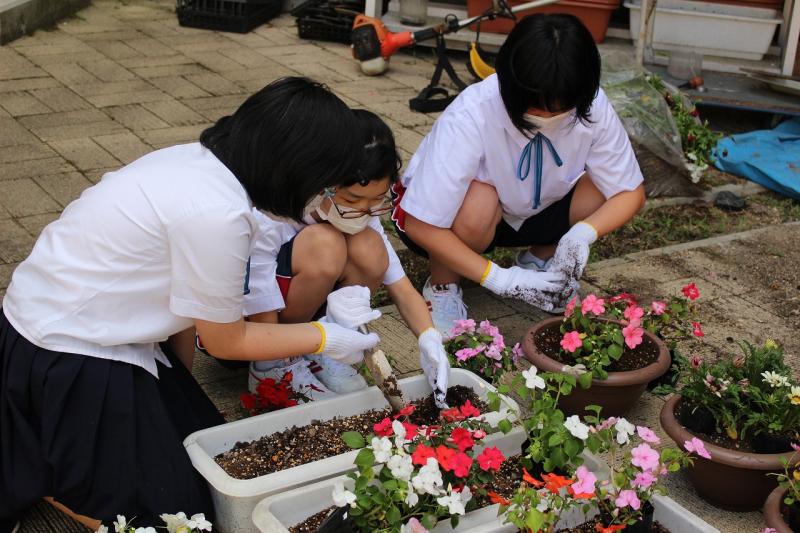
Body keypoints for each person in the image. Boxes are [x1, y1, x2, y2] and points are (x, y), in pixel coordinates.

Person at [0, 77, 381, 531]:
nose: (323, 195)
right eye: (324, 183)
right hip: (65, 351)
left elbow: (185, 307)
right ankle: (49, 480)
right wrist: (323, 336)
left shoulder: (202, 163)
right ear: (295, 166)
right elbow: (225, 339)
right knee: (178, 515)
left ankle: (50, 455)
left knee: (206, 448)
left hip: (63, 322)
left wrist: (174, 394)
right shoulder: (219, 215)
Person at [390, 13, 647, 334]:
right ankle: (443, 286)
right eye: (536, 107)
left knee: (602, 187)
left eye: (560, 109)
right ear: (510, 83)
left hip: (535, 210)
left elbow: (630, 192)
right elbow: (421, 224)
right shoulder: (473, 113)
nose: (547, 117)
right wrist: (499, 278)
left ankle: (539, 259)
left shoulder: (591, 104)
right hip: (462, 221)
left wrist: (582, 234)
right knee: (478, 200)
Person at [240, 109, 450, 406]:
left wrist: (430, 338)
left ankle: (330, 352)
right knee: (325, 244)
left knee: (369, 247)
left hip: (308, 320)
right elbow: (257, 297)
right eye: (352, 199)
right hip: (254, 329)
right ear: (321, 181)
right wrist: (271, 351)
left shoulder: (363, 214)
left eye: (376, 200)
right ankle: (274, 367)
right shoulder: (275, 213)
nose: (364, 210)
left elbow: (402, 289)